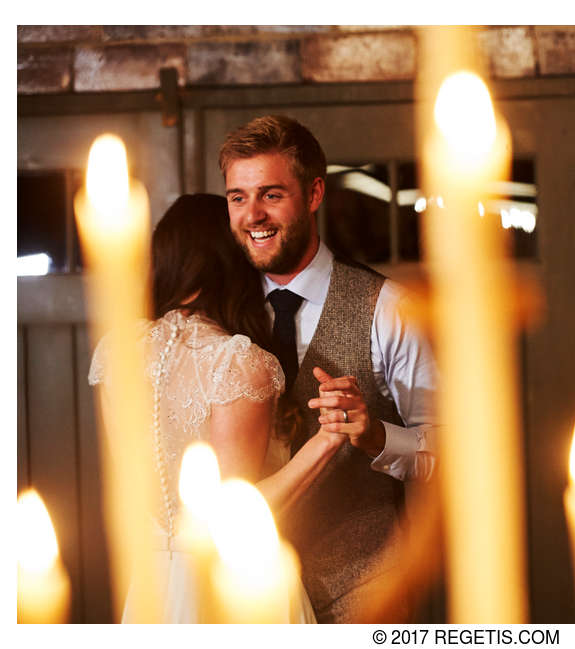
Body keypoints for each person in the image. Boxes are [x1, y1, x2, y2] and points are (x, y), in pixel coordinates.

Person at [220, 115, 438, 623]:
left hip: (366, 596)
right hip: (248, 600)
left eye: (271, 194)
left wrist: (375, 436)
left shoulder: (389, 308)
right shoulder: (221, 316)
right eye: (237, 197)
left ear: (314, 193)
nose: (253, 215)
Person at [88, 193, 346, 623]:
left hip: (153, 582)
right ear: (234, 262)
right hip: (235, 586)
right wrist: (327, 441)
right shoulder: (235, 362)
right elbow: (233, 516)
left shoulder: (116, 351)